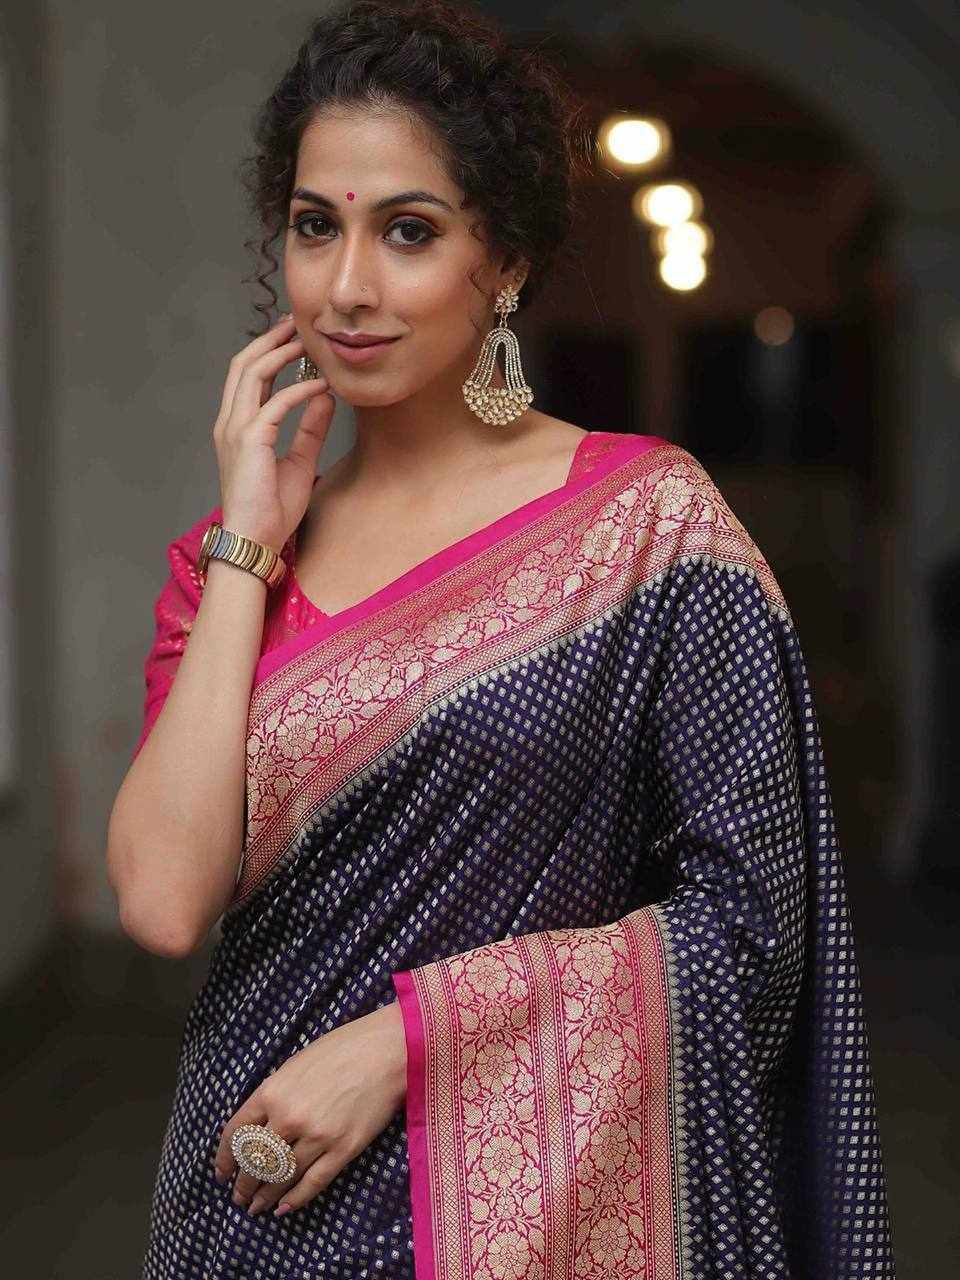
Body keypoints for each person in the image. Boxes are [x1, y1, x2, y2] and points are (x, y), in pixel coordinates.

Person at [105, 0, 897, 1276]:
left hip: (537, 1221)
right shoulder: (232, 565)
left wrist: (409, 1041)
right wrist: (247, 541)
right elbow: (160, 899)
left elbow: (753, 929)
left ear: (506, 259)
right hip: (248, 1201)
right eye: (315, 226)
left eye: (409, 231)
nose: (347, 287)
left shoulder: (649, 528)